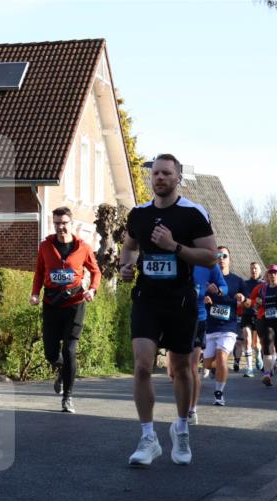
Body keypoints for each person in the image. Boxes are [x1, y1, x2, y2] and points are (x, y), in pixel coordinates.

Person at [119, 154, 217, 467]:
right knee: (143, 366)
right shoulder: (139, 214)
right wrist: (126, 266)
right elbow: (130, 247)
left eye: (166, 173)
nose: (159, 178)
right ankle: (148, 438)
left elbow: (210, 257)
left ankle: (182, 428)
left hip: (181, 301)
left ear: (177, 178)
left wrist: (174, 246)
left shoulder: (192, 214)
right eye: (156, 173)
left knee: (181, 368)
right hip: (147, 299)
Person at [30, 206, 102, 413]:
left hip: (75, 303)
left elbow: (96, 272)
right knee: (51, 352)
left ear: (72, 224)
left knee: (69, 350)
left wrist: (93, 290)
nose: (61, 227)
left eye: (64, 223)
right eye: (57, 223)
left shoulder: (83, 247)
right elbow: (39, 272)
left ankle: (67, 397)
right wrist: (35, 293)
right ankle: (62, 369)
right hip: (51, 303)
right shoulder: (45, 246)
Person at [184, 261, 228, 423]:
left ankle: (191, 410)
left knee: (192, 366)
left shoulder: (207, 263)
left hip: (198, 318)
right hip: (176, 316)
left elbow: (223, 286)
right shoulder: (176, 256)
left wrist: (218, 290)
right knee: (175, 370)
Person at [202, 246, 246, 405]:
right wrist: (204, 299)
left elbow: (249, 302)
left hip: (229, 327)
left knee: (221, 356)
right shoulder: (207, 279)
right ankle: (218, 369)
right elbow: (196, 296)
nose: (221, 258)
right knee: (208, 363)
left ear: (229, 259)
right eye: (218, 255)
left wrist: (242, 298)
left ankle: (219, 393)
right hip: (211, 326)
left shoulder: (238, 281)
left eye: (224, 255)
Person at [236, 261, 263, 376]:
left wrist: (260, 302)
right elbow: (240, 300)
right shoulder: (245, 284)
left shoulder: (264, 285)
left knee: (256, 344)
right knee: (247, 339)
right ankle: (249, 369)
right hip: (246, 314)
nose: (254, 270)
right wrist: (240, 302)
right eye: (252, 268)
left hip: (259, 315)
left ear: (260, 270)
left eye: (256, 268)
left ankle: (258, 355)